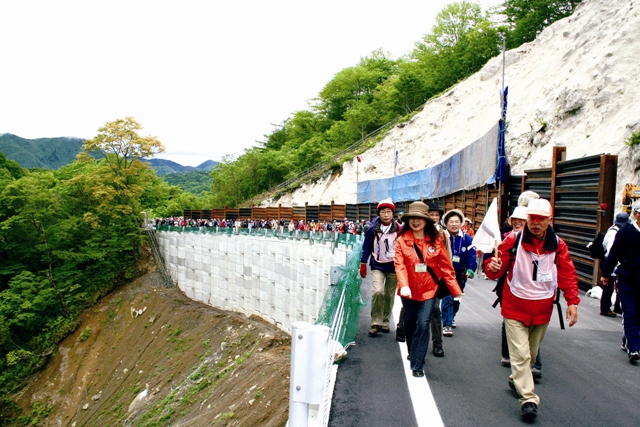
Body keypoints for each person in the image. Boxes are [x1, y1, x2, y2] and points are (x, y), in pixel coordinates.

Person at [485, 198, 579, 420]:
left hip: (542, 309)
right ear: (527, 218)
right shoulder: (512, 241)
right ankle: (528, 398)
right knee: (521, 355)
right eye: (532, 218)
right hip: (514, 306)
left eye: (541, 219)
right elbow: (494, 270)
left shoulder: (559, 245)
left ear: (549, 220)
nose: (536, 223)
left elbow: (567, 274)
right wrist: (492, 266)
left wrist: (572, 302)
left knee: (531, 354)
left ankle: (516, 380)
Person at [394, 201, 462, 377]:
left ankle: (418, 363)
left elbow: (446, 267)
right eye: (412, 218)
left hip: (429, 290)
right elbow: (399, 265)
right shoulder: (402, 240)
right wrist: (404, 285)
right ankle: (412, 350)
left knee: (424, 324)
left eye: (420, 218)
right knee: (409, 323)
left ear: (426, 221)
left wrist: (456, 291)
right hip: (408, 289)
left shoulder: (436, 240)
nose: (416, 221)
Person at [603, 204, 640, 363]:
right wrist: (606, 273)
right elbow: (614, 253)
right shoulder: (626, 232)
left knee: (637, 314)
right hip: (627, 278)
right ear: (636, 215)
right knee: (630, 312)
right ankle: (634, 348)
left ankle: (628, 340)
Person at [360, 199, 401, 337]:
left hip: (394, 266)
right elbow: (366, 246)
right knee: (378, 291)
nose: (386, 214)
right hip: (377, 264)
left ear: (393, 213)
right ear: (379, 213)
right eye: (383, 212)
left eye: (389, 211)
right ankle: (374, 322)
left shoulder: (399, 229)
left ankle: (385, 321)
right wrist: (363, 262)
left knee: (389, 295)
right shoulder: (373, 229)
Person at [441, 209, 477, 336]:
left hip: (460, 274)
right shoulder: (442, 237)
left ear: (461, 223)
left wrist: (471, 269)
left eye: (457, 221)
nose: (454, 224)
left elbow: (472, 256)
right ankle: (446, 324)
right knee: (447, 298)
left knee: (457, 298)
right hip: (445, 273)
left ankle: (451, 316)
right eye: (451, 222)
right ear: (446, 223)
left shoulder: (467, 239)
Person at [600, 212, 631, 317]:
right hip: (611, 262)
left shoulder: (611, 230)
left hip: (611, 261)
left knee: (616, 285)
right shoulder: (615, 233)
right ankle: (605, 308)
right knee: (608, 285)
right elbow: (611, 251)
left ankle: (617, 307)